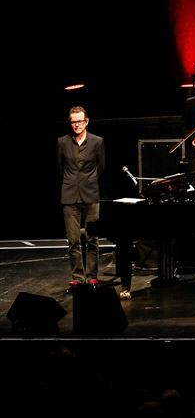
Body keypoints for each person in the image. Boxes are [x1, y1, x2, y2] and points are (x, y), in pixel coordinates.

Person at [57, 106, 106, 292]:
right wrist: (72, 182)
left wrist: (88, 181)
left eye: (80, 121)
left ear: (86, 121)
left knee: (93, 238)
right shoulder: (62, 142)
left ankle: (92, 277)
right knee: (73, 240)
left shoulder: (97, 142)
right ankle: (77, 278)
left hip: (90, 194)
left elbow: (101, 166)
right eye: (73, 122)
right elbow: (59, 167)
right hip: (69, 195)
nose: (76, 125)